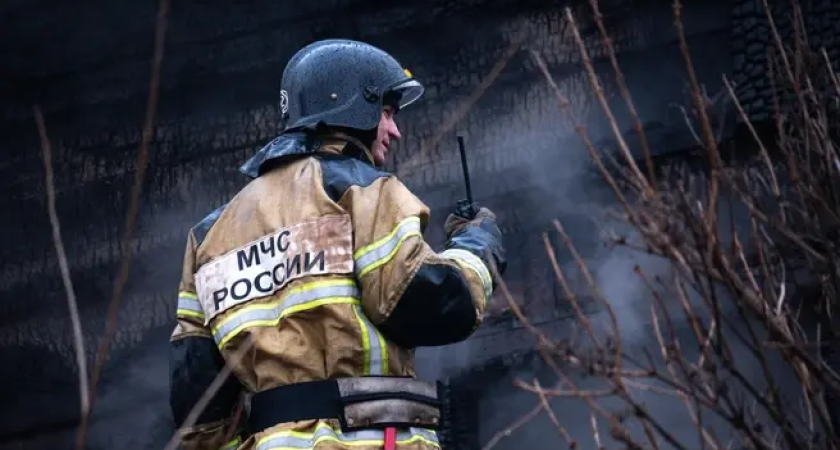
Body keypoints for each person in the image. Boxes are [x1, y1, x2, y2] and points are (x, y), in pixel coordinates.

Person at [169, 38, 506, 450]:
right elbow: (423, 305)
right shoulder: (360, 189)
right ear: (353, 107)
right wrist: (476, 249)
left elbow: (198, 399)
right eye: (386, 112)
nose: (395, 130)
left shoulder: (209, 234)